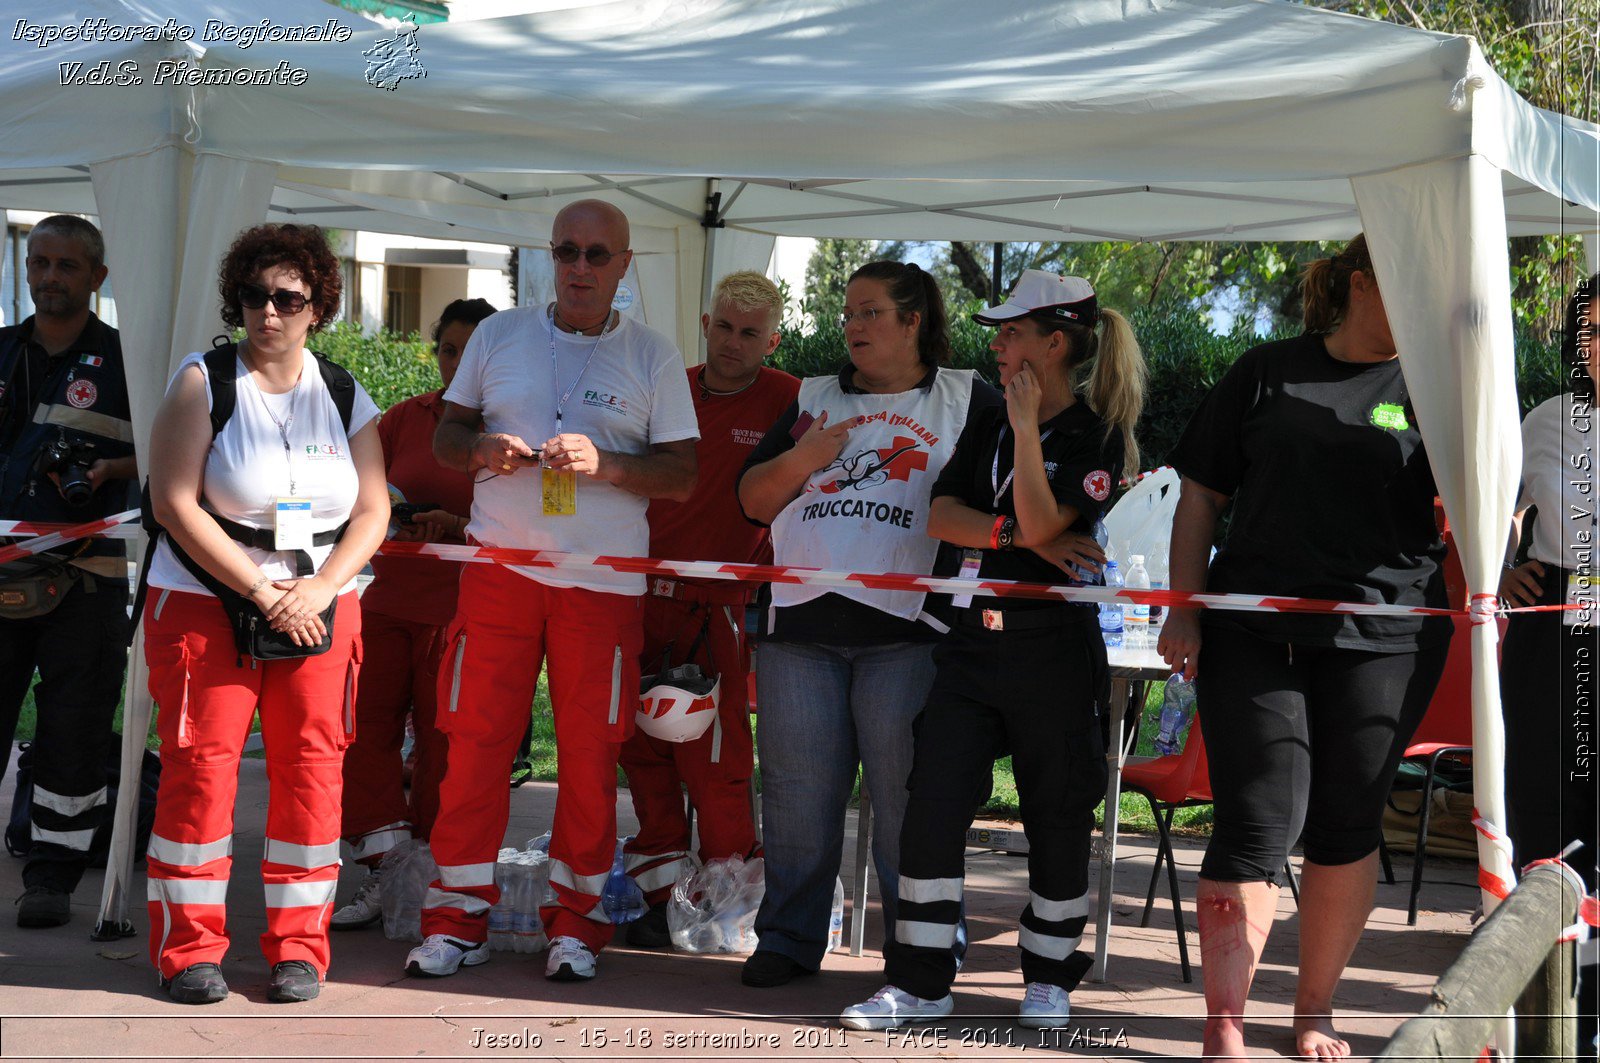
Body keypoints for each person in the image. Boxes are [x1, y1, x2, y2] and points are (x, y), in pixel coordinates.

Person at [1158, 233, 1451, 1061]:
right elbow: (1201, 495)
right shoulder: (1265, 369)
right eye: (1410, 287)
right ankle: (1225, 1022)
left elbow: (1485, 496)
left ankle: (1313, 1011)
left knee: (1346, 823)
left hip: (1388, 637)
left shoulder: (1439, 384)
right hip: (1254, 627)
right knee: (1255, 819)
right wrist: (1184, 608)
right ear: (1363, 282)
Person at [841, 271, 1143, 1030]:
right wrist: (1011, 534)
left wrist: (1032, 441)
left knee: (1057, 810)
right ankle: (920, 979)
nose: (998, 343)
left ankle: (1047, 977)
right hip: (970, 644)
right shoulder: (987, 417)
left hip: (1052, 652)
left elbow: (1047, 515)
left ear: (1054, 342)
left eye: (1012, 332)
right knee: (932, 806)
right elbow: (943, 515)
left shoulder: (1095, 432)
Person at [413, 199, 698, 983]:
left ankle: (576, 925)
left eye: (597, 255)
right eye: (566, 251)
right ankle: (454, 918)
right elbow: (446, 434)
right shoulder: (500, 333)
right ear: (548, 257)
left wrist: (604, 463)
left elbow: (681, 474)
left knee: (588, 755)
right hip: (499, 572)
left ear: (624, 266)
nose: (580, 268)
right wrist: (482, 449)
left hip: (599, 584)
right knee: (472, 745)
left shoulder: (653, 355)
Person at [143, 223, 388, 1004]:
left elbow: (375, 511)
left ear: (318, 308)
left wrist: (319, 589)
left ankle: (298, 951)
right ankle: (189, 953)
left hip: (322, 606)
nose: (268, 312)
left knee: (313, 775)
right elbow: (174, 502)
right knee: (199, 776)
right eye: (254, 296)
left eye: (288, 298)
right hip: (207, 601)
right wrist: (260, 589)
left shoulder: (345, 392)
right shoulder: (203, 380)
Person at [736, 260, 998, 988]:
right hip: (800, 631)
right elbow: (754, 501)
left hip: (912, 635)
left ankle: (923, 949)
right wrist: (808, 454)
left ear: (915, 322)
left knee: (910, 798)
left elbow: (1004, 491)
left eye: (871, 312)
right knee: (795, 793)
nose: (852, 325)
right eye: (848, 312)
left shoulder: (967, 397)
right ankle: (788, 938)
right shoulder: (812, 397)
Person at [619, 271, 799, 946]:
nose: (733, 342)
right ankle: (660, 893)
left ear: (772, 339)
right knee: (640, 749)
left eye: (750, 332)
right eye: (723, 326)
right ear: (704, 323)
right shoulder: (669, 387)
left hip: (717, 608)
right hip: (637, 599)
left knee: (715, 761)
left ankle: (731, 909)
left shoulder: (792, 401)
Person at [330, 298, 497, 930]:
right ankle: (386, 868)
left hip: (464, 610)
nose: (460, 362)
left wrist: (459, 527)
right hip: (387, 603)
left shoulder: (511, 424)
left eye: (474, 349)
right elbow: (359, 493)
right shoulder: (404, 418)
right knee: (357, 731)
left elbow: (536, 522)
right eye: (450, 349)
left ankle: (429, 878)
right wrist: (392, 514)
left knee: (441, 746)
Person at [0, 215, 137, 928]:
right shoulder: (1, 351)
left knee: (74, 732)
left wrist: (119, 468)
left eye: (65, 266)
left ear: (97, 278)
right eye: (39, 263)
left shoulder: (130, 363)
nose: (50, 277)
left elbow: (175, 453)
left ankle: (51, 877)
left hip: (86, 579)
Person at [1499, 273, 1598, 1059]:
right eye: (1591, 331)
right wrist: (1500, 567)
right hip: (1551, 618)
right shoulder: (1542, 420)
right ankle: (1540, 1002)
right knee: (1543, 800)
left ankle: (1593, 1004)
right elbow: (1483, 503)